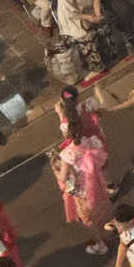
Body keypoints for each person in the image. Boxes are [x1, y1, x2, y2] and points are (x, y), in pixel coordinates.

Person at [50, 108, 111, 254]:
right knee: (103, 206)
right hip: (98, 181)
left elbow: (63, 178)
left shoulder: (67, 154)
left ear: (67, 135)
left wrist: (54, 168)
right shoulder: (92, 142)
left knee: (89, 218)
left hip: (83, 190)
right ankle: (114, 226)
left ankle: (101, 243)